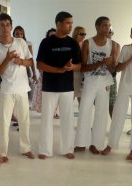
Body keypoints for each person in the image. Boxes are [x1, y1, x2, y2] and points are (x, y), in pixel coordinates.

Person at [101, 24, 132, 160]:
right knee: (118, 115)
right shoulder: (126, 48)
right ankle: (110, 145)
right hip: (124, 86)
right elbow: (118, 69)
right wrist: (130, 60)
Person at [37, 11, 81, 160]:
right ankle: (44, 150)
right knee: (47, 119)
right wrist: (58, 70)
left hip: (67, 88)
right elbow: (40, 64)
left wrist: (71, 67)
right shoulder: (46, 42)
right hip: (49, 87)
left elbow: (79, 65)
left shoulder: (72, 43)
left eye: (71, 23)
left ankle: (67, 148)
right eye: (68, 23)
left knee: (67, 119)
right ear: (58, 24)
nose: (70, 26)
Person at [0, 13, 35, 162]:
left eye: (7, 25)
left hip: (22, 88)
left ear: (11, 26)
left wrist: (20, 61)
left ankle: (26, 148)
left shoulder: (21, 42)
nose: (5, 28)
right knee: (4, 123)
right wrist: (7, 59)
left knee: (24, 121)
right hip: (7, 90)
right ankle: (2, 153)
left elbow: (30, 62)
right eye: (2, 25)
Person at [74, 16, 118, 154]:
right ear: (97, 27)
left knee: (101, 114)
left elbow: (113, 71)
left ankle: (96, 144)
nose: (107, 28)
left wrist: (112, 64)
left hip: (104, 83)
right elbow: (83, 68)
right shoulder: (88, 43)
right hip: (89, 82)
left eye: (109, 25)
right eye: (104, 25)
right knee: (84, 111)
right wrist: (101, 63)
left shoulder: (114, 45)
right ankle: (81, 143)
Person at [71, 26, 86, 106]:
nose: (84, 35)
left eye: (85, 34)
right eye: (82, 33)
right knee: (71, 96)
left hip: (83, 74)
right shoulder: (71, 44)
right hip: (73, 73)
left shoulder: (85, 45)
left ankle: (82, 117)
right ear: (76, 34)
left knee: (82, 98)